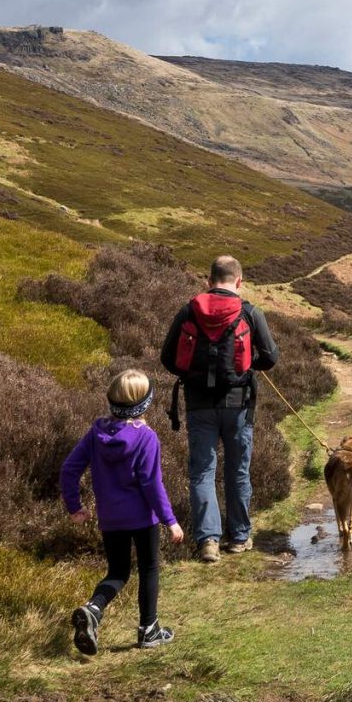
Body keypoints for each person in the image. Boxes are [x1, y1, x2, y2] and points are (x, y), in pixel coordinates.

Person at [158, 254, 279, 562]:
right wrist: (248, 367)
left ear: (208, 281)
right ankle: (239, 538)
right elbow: (271, 357)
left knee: (202, 472)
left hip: (199, 405)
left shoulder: (189, 310)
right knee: (238, 472)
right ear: (239, 282)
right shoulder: (250, 312)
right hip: (238, 406)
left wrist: (190, 375)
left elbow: (168, 357)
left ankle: (208, 542)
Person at [60, 368, 184, 654]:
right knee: (149, 568)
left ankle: (93, 608)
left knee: (117, 571)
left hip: (110, 518)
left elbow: (69, 469)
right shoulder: (147, 437)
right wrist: (171, 520)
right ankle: (148, 630)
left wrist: (75, 507)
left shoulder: (96, 433)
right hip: (142, 518)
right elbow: (152, 483)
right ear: (145, 403)